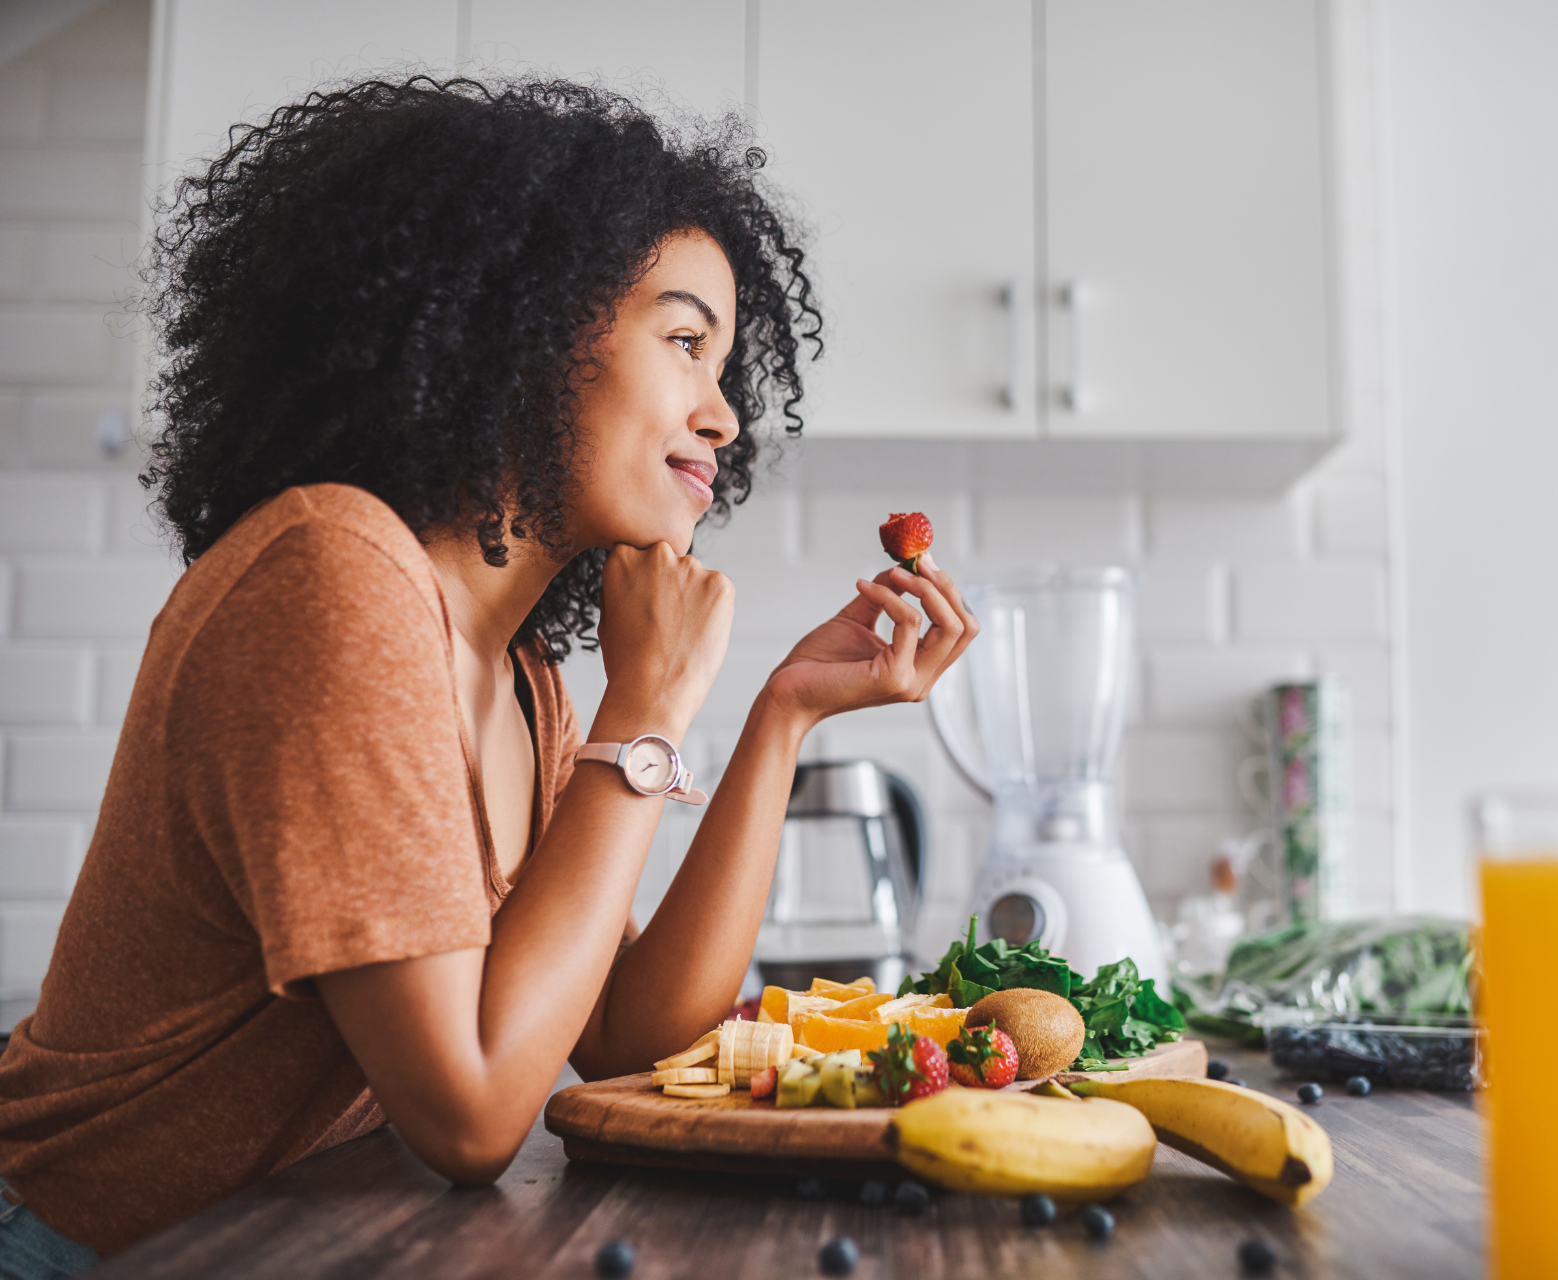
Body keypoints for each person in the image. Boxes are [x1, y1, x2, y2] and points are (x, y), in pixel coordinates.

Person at [0, 76, 976, 1271]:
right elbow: (470, 1113)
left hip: (273, 1236)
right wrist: (647, 708)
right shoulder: (334, 574)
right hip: (75, 1243)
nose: (723, 415)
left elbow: (622, 1035)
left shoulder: (523, 678)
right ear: (525, 329)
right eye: (684, 342)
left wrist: (780, 715)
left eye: (725, 366)